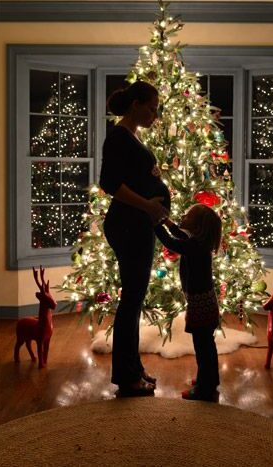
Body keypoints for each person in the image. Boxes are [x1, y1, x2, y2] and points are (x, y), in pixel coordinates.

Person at [99, 81, 170, 397]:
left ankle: (134, 369)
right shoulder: (117, 137)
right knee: (131, 301)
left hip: (138, 224)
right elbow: (110, 184)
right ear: (135, 104)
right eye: (152, 108)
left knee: (135, 299)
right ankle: (127, 378)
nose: (155, 115)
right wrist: (148, 205)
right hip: (127, 225)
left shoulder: (131, 137)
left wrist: (155, 203)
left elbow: (139, 180)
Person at [155, 204, 222, 401]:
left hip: (200, 305)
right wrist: (166, 222)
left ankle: (204, 389)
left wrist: (155, 224)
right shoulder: (198, 242)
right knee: (207, 346)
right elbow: (179, 234)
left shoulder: (194, 246)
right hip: (205, 303)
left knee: (203, 348)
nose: (184, 215)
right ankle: (210, 379)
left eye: (188, 215)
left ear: (197, 225)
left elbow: (170, 241)